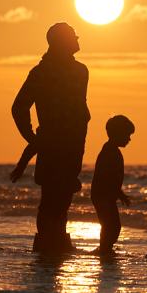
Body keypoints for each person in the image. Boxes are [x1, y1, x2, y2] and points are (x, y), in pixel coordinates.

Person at [11, 22, 90, 255]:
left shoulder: (79, 71)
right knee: (51, 199)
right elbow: (19, 107)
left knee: (63, 195)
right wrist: (33, 139)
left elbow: (79, 109)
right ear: (62, 42)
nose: (78, 40)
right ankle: (48, 244)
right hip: (56, 143)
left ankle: (56, 243)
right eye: (73, 37)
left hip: (74, 143)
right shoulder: (42, 73)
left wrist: (33, 140)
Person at [91, 115, 134, 256]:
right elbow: (106, 176)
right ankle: (104, 249)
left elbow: (113, 178)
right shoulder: (109, 151)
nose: (129, 139)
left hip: (106, 195)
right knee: (111, 226)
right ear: (118, 133)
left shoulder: (112, 150)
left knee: (111, 225)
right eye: (127, 135)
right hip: (102, 195)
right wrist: (115, 193)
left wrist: (119, 194)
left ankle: (105, 248)